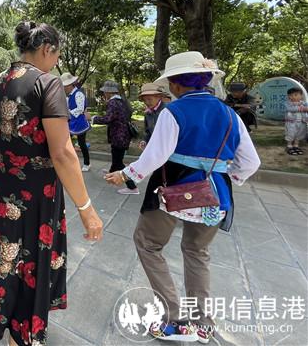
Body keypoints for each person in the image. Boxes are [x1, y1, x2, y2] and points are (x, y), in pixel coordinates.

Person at [105, 51, 260, 343]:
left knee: (148, 244)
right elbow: (251, 163)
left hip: (172, 189)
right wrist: (227, 176)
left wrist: (125, 175)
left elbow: (155, 156)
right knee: (197, 253)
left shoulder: (174, 112)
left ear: (175, 83)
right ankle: (202, 324)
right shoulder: (230, 114)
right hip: (215, 194)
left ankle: (173, 319)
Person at [0, 21, 103, 346]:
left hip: (3, 190)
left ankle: (5, 321)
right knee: (31, 259)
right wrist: (86, 208)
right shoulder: (47, 84)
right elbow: (63, 152)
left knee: (9, 256)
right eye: (57, 55)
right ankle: (24, 334)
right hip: (36, 193)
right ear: (48, 49)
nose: (56, 62)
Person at [91, 80, 137, 194]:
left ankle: (132, 187)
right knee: (116, 156)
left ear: (109, 92)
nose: (104, 94)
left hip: (118, 135)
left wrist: (93, 118)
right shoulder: (122, 101)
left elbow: (108, 119)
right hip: (124, 134)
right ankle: (112, 172)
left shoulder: (113, 102)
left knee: (119, 162)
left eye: (104, 92)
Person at [61, 72, 91, 172]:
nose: (64, 88)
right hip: (71, 122)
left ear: (70, 85)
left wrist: (68, 112)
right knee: (67, 143)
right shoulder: (68, 96)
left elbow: (80, 109)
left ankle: (87, 163)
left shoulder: (78, 94)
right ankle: (69, 162)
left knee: (82, 144)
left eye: (65, 86)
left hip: (80, 122)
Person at [137, 82, 168, 151]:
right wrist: (145, 141)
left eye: (149, 99)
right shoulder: (148, 113)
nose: (147, 102)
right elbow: (148, 131)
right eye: (144, 100)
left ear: (158, 97)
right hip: (155, 149)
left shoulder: (167, 111)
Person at [285, 87, 308, 155]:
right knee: (291, 133)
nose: (293, 97)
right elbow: (290, 109)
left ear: (301, 96)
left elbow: (307, 109)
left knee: (300, 133)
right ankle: (289, 145)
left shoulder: (304, 103)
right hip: (291, 122)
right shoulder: (288, 103)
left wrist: (305, 109)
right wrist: (301, 108)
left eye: (296, 95)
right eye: (291, 95)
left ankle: (296, 145)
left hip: (302, 122)